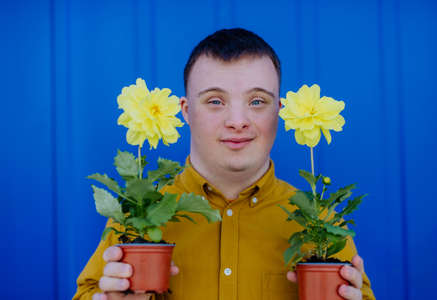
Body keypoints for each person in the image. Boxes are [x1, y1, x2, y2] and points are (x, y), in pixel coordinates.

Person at [73, 28, 375, 300]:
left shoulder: (321, 223)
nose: (238, 122)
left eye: (257, 101)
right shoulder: (136, 219)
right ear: (186, 111)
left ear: (279, 112)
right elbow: (88, 292)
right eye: (215, 101)